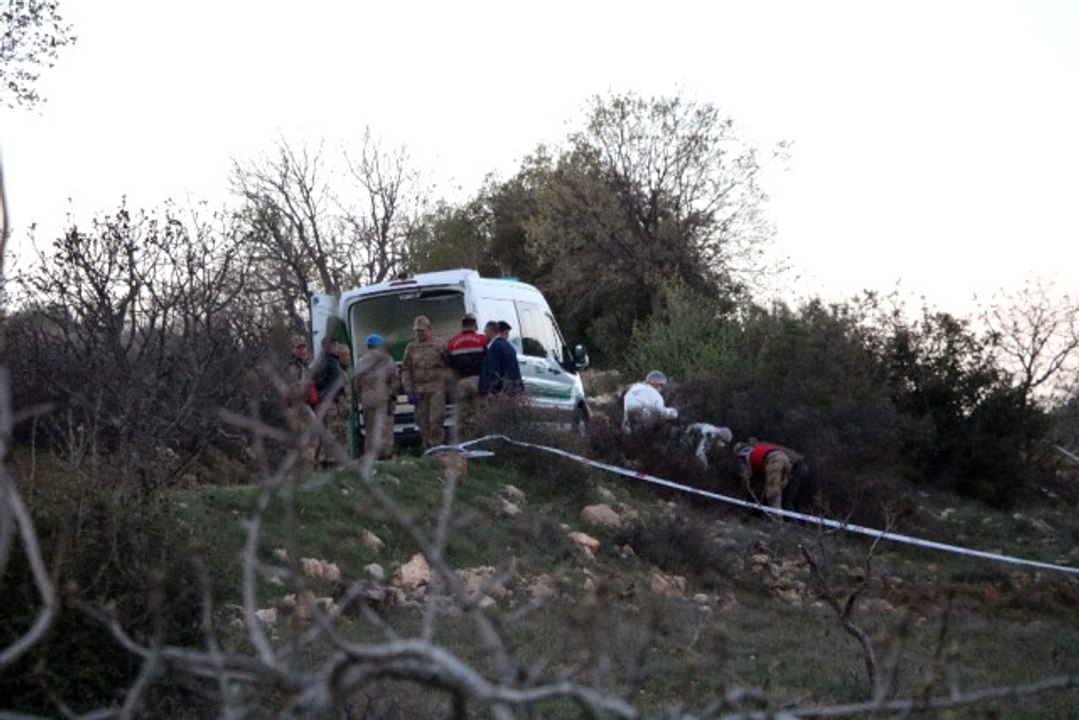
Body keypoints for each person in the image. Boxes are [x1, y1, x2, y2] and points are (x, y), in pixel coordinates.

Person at [401, 315, 449, 449]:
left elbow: (449, 364)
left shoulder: (440, 344)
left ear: (429, 329)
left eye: (422, 330)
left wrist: (448, 384)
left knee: (436, 419)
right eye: (417, 331)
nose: (419, 333)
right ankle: (426, 446)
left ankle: (437, 446)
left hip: (436, 389)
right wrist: (408, 389)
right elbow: (406, 369)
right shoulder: (411, 347)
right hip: (419, 390)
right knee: (422, 420)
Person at [353, 333, 397, 461]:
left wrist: (361, 397)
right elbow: (394, 380)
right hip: (384, 399)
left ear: (368, 346)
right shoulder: (387, 359)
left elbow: (356, 384)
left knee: (370, 430)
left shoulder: (361, 361)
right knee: (386, 428)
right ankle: (386, 456)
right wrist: (392, 394)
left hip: (368, 401)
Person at [734, 439, 809, 511]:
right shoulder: (762, 447)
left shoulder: (749, 455)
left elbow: (746, 478)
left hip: (789, 464)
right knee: (783, 495)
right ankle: (780, 516)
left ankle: (775, 517)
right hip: (792, 463)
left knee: (776, 493)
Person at [445, 313, 486, 441]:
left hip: (461, 383)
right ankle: (479, 441)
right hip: (478, 381)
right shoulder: (482, 340)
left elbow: (449, 365)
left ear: (462, 325)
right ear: (474, 324)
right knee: (480, 415)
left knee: (462, 418)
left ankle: (463, 443)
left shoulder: (452, 343)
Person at [283, 334, 319, 469]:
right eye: (298, 348)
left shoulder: (303, 366)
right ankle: (305, 470)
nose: (302, 350)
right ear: (292, 350)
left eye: (304, 347)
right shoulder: (292, 367)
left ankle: (307, 468)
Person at [313, 336, 348, 466]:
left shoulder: (323, 362)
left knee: (330, 432)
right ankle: (331, 461)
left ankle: (328, 459)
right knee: (333, 431)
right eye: (335, 345)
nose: (337, 348)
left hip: (326, 401)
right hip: (330, 402)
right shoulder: (330, 363)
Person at [479, 319, 523, 396]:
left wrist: (485, 390)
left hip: (500, 392)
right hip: (512, 389)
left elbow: (493, 371)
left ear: (490, 332)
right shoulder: (509, 347)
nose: (484, 335)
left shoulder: (495, 347)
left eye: (485, 332)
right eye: (506, 333)